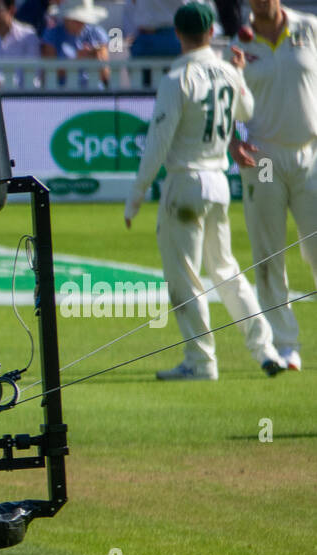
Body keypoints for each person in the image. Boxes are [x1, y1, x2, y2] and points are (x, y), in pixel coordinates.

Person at [125, 2, 286, 379]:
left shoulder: (176, 78)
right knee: (226, 270)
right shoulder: (228, 71)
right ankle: (265, 349)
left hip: (186, 183)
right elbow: (246, 111)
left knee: (184, 276)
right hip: (218, 181)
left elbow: (157, 144)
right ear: (211, 33)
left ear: (178, 35)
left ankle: (200, 360)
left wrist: (135, 196)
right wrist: (239, 74)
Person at [228, 0, 317, 371]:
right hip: (262, 158)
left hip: (309, 154)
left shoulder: (309, 28)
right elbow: (228, 99)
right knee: (269, 253)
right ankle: (285, 345)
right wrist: (233, 140)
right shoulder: (240, 42)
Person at [41, 0, 110, 86]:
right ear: (66, 18)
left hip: (94, 94)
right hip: (60, 94)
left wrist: (97, 60)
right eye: (77, 20)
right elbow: (48, 73)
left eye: (83, 19)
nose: (81, 23)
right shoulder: (51, 34)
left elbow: (105, 76)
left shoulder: (97, 33)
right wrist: (76, 61)